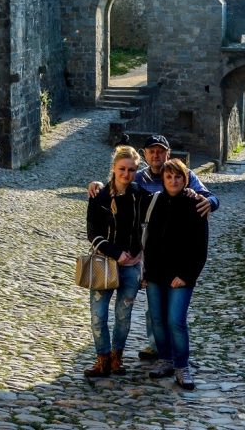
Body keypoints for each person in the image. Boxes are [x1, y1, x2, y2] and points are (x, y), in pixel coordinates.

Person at [87, 134, 219, 362]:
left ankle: (167, 357)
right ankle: (121, 355)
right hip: (123, 260)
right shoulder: (130, 184)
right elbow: (99, 219)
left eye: (160, 151)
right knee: (127, 314)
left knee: (158, 316)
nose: (156, 155)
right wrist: (98, 185)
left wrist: (201, 198)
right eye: (151, 151)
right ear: (146, 155)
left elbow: (204, 198)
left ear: (168, 153)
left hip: (150, 261)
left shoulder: (164, 186)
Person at [143, 158, 209, 390]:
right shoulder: (155, 201)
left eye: (178, 177)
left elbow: (200, 248)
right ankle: (165, 360)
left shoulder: (196, 204)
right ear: (163, 179)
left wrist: (187, 275)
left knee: (176, 321)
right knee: (158, 320)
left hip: (181, 275)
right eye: (169, 177)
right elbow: (148, 239)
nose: (173, 181)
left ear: (185, 179)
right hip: (155, 273)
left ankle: (182, 365)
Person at [84, 145, 147, 377]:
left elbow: (147, 227)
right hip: (104, 264)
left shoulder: (140, 195)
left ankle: (116, 357)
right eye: (122, 168)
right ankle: (102, 358)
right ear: (113, 168)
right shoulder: (99, 196)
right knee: (98, 315)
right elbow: (93, 234)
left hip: (131, 266)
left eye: (131, 169)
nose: (126, 174)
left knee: (124, 314)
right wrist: (115, 252)